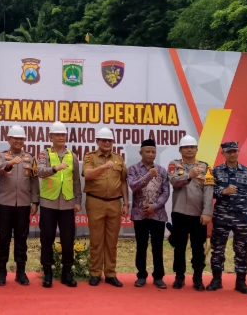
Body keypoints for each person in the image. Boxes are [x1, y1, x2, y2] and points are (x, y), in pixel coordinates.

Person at [206, 141, 247, 294]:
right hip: (222, 217)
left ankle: (241, 282)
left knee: (242, 250)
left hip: (242, 218)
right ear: (223, 154)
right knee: (217, 250)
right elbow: (209, 192)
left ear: (238, 152)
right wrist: (223, 191)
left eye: (235, 151)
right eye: (229, 152)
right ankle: (216, 280)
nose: (232, 154)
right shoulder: (215, 171)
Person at [36, 121, 82, 288]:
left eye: (63, 135)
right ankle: (47, 272)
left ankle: (67, 272)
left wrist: (78, 201)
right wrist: (55, 168)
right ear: (51, 137)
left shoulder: (73, 156)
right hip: (48, 203)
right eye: (57, 135)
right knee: (47, 238)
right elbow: (40, 172)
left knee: (68, 239)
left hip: (68, 204)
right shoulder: (44, 154)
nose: (61, 137)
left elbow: (76, 181)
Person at [0, 125, 40, 286]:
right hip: (5, 204)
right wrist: (10, 162)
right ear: (9, 139)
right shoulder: (1, 155)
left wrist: (35, 201)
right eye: (16, 138)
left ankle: (21, 272)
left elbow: (34, 181)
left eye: (21, 138)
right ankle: (1, 272)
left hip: (24, 204)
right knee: (4, 238)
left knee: (21, 238)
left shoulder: (30, 158)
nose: (19, 141)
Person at [82, 127, 129, 287]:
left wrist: (126, 203)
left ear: (113, 142)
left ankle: (110, 273)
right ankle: (95, 272)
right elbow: (87, 174)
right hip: (95, 201)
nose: (107, 143)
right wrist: (103, 167)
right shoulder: (90, 157)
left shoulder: (119, 159)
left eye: (109, 140)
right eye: (104, 140)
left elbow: (123, 182)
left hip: (115, 202)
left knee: (111, 240)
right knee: (96, 239)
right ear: (97, 142)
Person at [167, 134, 214, 291]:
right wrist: (189, 176)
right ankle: (179, 277)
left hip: (198, 214)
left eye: (192, 147)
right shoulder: (174, 164)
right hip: (179, 212)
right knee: (179, 246)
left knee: (198, 247)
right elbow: (174, 181)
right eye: (186, 147)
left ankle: (198, 278)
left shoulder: (206, 167)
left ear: (196, 149)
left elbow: (208, 191)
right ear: (180, 150)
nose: (189, 150)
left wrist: (207, 212)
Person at [127, 139, 169, 289]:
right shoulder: (133, 169)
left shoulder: (162, 171)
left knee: (157, 246)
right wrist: (149, 175)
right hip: (140, 215)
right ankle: (141, 275)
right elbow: (134, 187)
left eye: (153, 152)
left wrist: (155, 207)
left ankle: (158, 277)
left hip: (158, 215)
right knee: (141, 246)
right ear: (141, 153)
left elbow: (166, 192)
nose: (151, 154)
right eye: (147, 152)